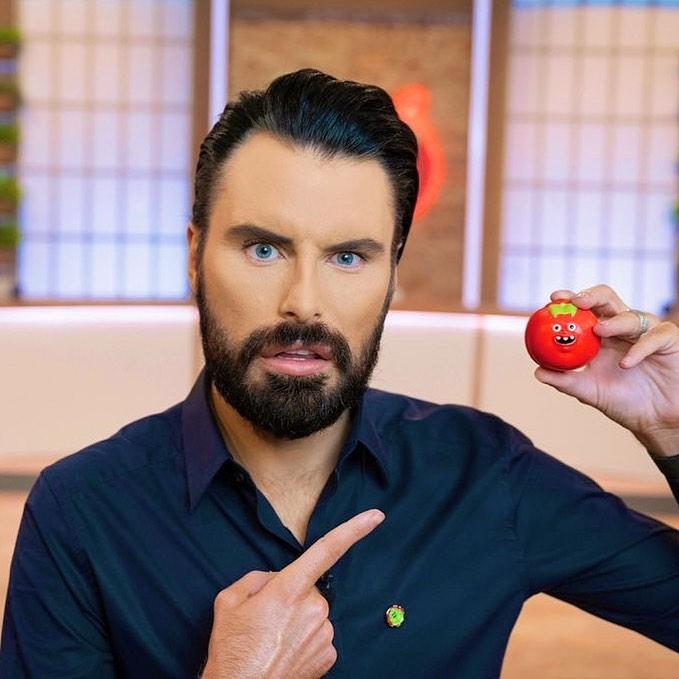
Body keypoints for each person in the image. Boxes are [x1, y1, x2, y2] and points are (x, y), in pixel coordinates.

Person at [1, 68, 678, 678]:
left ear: (391, 271)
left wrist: (672, 430)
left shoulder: (484, 473)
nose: (304, 300)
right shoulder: (82, 510)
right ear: (195, 253)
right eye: (263, 247)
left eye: (348, 257)